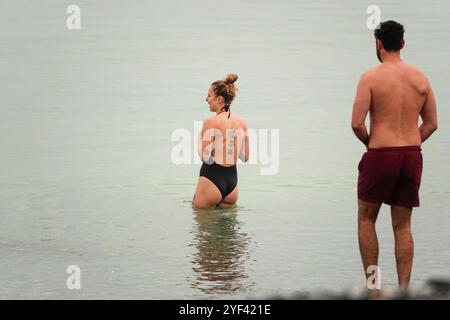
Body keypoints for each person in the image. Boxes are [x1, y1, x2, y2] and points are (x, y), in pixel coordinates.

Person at [351, 20, 438, 288]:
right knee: (403, 226)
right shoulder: (421, 78)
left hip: (380, 155)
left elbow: (356, 123)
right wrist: (412, 141)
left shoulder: (370, 78)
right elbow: (432, 123)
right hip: (411, 155)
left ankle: (374, 288)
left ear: (378, 44)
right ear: (402, 43)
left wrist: (371, 143)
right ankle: (403, 291)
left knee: (367, 219)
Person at [193, 74, 249, 210]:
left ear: (219, 99)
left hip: (212, 179)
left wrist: (199, 139)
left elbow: (205, 157)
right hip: (232, 184)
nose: (206, 99)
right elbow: (245, 157)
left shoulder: (210, 122)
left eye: (209, 96)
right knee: (227, 231)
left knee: (202, 228)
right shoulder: (242, 123)